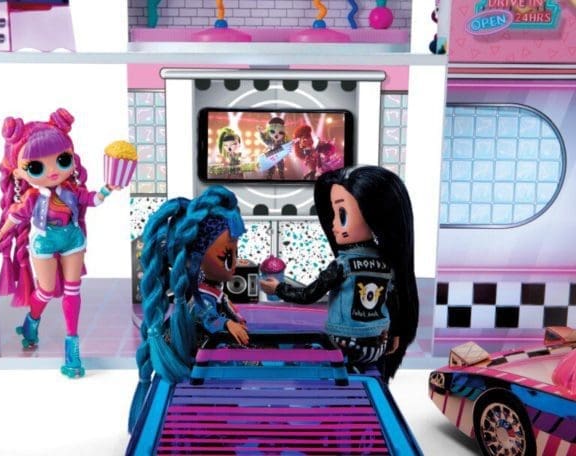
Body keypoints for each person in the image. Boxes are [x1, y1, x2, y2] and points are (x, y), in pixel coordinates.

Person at [0, 108, 121, 378]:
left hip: (72, 239)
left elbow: (91, 199)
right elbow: (16, 215)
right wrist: (0, 234)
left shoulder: (71, 190)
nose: (53, 171)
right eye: (36, 167)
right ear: (19, 173)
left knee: (73, 290)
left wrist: (108, 189)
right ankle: (31, 322)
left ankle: (72, 346)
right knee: (45, 291)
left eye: (62, 160)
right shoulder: (32, 198)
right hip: (44, 242)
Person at [260, 165, 418, 381]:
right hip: (377, 345)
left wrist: (278, 288)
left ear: (373, 216)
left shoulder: (343, 264)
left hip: (346, 345)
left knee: (297, 359)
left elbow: (309, 294)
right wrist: (396, 333)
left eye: (342, 215)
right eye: (334, 215)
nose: (333, 225)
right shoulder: (387, 263)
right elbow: (393, 301)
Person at [128, 185, 247, 431]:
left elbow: (216, 302)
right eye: (227, 254)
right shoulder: (198, 297)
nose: (234, 262)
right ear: (196, 259)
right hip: (204, 353)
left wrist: (228, 308)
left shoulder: (209, 291)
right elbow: (203, 313)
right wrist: (226, 323)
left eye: (236, 251)